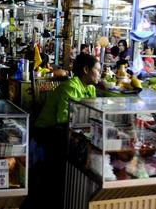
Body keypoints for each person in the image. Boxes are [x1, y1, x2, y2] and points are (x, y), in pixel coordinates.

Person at [30, 54, 100, 208]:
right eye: (97, 70)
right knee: (80, 150)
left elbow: (93, 114)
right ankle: (65, 191)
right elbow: (64, 119)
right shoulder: (71, 86)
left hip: (69, 130)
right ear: (86, 70)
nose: (100, 74)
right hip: (49, 130)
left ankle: (80, 190)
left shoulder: (90, 88)